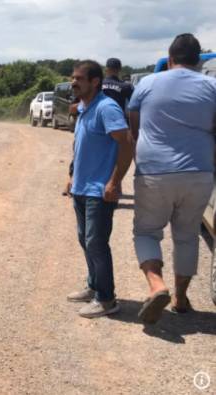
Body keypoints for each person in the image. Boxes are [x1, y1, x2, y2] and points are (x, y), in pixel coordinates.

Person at [128, 33, 216, 324]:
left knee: (147, 231)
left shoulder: (147, 83)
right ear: (198, 59)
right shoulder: (212, 86)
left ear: (170, 57)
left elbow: (134, 119)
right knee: (187, 236)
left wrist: (141, 144)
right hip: (199, 172)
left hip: (154, 171)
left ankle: (157, 285)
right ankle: (180, 298)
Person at [65, 60, 132, 319]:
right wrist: (71, 175)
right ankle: (94, 285)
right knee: (85, 240)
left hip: (99, 190)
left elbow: (126, 144)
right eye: (73, 78)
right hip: (82, 186)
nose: (74, 82)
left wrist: (114, 181)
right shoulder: (84, 107)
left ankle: (106, 299)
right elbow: (80, 145)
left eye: (79, 78)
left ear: (95, 81)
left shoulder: (107, 108)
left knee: (96, 243)